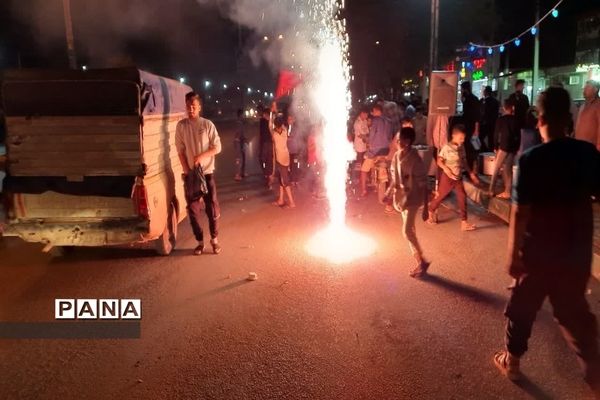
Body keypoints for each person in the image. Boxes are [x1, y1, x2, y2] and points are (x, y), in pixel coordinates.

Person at [494, 87, 600, 392]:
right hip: (575, 252)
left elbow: (520, 214)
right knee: (573, 312)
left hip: (537, 253)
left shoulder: (530, 160)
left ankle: (512, 363)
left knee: (522, 307)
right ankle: (595, 375)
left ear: (539, 119)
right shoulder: (587, 154)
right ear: (568, 119)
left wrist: (513, 256)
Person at [176, 92, 222, 255]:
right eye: (188, 106)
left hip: (207, 173)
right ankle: (200, 242)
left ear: (199, 107)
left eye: (194, 106)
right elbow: (180, 151)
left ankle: (214, 240)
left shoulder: (207, 125)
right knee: (193, 211)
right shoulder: (181, 126)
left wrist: (201, 157)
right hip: (191, 175)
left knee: (212, 209)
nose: (191, 109)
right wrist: (187, 171)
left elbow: (217, 147)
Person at [388, 127, 430, 278]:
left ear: (407, 142)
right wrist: (388, 193)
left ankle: (422, 260)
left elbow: (424, 184)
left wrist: (426, 208)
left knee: (406, 231)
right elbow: (394, 178)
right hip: (401, 199)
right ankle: (420, 261)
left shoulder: (416, 160)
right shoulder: (397, 156)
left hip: (413, 199)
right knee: (410, 232)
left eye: (398, 140)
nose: (396, 142)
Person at [427, 124, 480, 231]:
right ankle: (430, 212)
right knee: (440, 197)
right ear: (453, 136)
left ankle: (464, 223)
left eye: (464, 138)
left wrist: (471, 173)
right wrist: (445, 169)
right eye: (461, 138)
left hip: (458, 178)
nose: (463, 140)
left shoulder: (462, 147)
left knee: (462, 197)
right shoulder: (446, 147)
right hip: (448, 178)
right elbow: (439, 161)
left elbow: (464, 161)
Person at [489, 99, 520, 199]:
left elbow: (496, 134)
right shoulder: (516, 120)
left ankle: (491, 190)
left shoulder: (501, 119)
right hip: (512, 148)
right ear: (512, 108)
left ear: (504, 108)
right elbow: (518, 135)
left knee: (496, 168)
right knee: (508, 170)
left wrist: (495, 146)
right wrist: (517, 148)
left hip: (503, 147)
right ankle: (507, 192)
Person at [360, 104, 393, 197]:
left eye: (373, 111)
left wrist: (368, 141)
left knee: (363, 169)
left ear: (376, 111)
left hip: (375, 150)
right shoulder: (389, 121)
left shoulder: (376, 120)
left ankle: (363, 190)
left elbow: (372, 135)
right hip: (386, 150)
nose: (373, 113)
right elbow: (390, 136)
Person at [270, 103, 296, 208]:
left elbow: (270, 124)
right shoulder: (284, 131)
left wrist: (273, 111)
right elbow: (278, 123)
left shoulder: (274, 134)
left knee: (285, 181)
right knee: (282, 180)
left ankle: (292, 202)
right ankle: (281, 200)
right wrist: (276, 112)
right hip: (286, 158)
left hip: (280, 160)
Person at [460, 81, 481, 171]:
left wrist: (476, 129)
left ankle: (472, 169)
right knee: (470, 148)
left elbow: (476, 115)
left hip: (471, 127)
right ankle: (471, 169)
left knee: (471, 148)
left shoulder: (471, 99)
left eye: (462, 89)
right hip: (470, 126)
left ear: (464, 89)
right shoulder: (471, 99)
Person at [575, 80, 600, 151]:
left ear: (595, 90)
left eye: (587, 88)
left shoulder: (598, 105)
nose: (584, 90)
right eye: (584, 88)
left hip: (592, 148)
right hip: (580, 146)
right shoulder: (583, 106)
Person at [479, 86, 500, 152]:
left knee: (480, 137)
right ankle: (490, 151)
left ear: (486, 92)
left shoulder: (484, 101)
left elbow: (483, 112)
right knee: (491, 139)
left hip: (485, 123)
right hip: (493, 123)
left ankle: (484, 150)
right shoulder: (496, 101)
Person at [259, 108, 274, 188]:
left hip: (268, 144)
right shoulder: (263, 121)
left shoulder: (268, 121)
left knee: (268, 160)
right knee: (265, 160)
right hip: (266, 143)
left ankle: (269, 178)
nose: (263, 115)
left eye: (264, 114)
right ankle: (268, 176)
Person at [286, 114, 301, 186]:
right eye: (288, 119)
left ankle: (296, 180)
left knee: (296, 165)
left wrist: (288, 138)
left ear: (293, 120)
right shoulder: (286, 128)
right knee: (290, 166)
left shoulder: (295, 128)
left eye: (290, 119)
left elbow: (293, 137)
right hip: (289, 151)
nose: (289, 121)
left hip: (295, 151)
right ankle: (292, 179)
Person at [234, 109, 247, 181]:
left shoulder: (241, 123)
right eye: (243, 115)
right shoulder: (238, 123)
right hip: (238, 143)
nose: (244, 116)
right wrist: (242, 140)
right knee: (239, 159)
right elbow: (238, 135)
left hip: (241, 142)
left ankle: (242, 172)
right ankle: (237, 174)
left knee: (243, 158)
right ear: (240, 115)